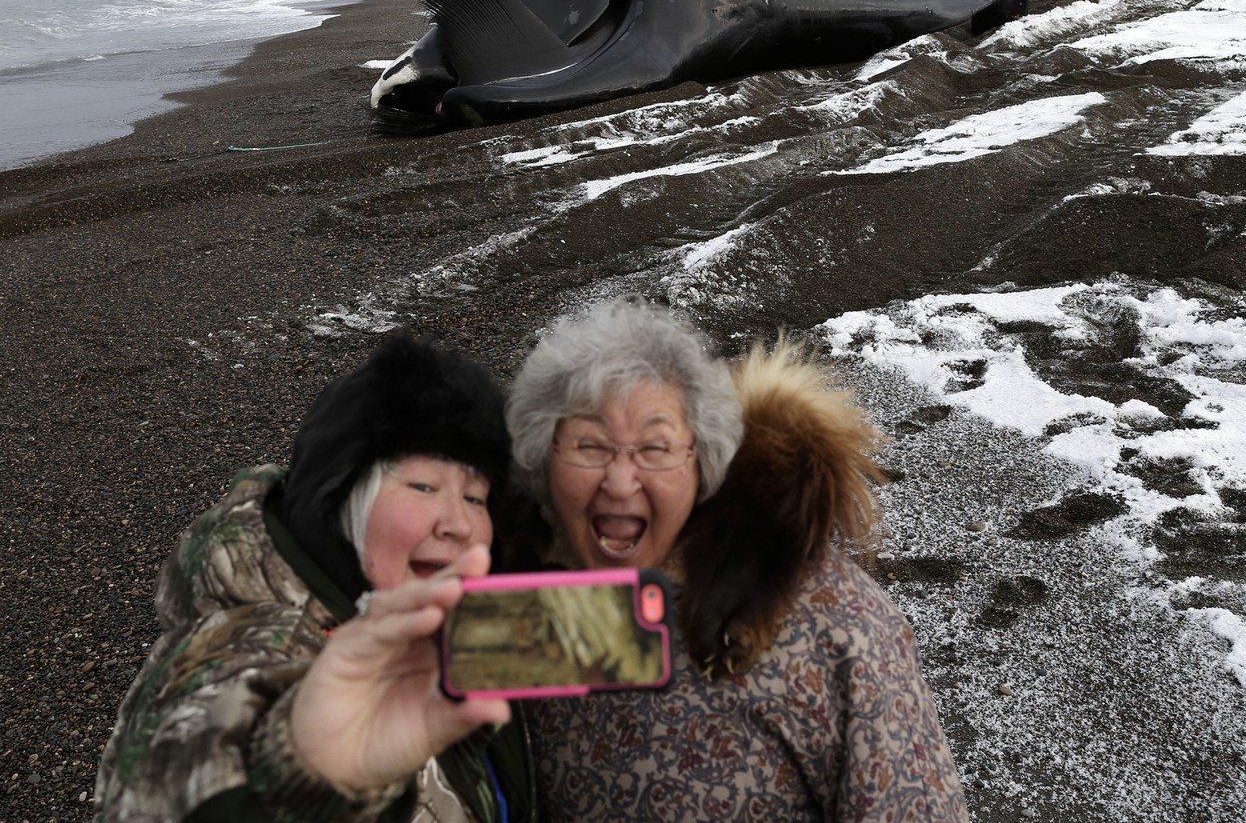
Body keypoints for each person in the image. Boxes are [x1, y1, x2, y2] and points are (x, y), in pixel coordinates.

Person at [504, 299, 970, 821]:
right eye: (590, 445)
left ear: (702, 458)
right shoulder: (517, 600)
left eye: (655, 447)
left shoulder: (832, 626)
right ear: (544, 454)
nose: (618, 482)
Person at [95, 333, 537, 823]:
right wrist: (302, 776)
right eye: (423, 486)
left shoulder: (457, 618)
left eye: (475, 498)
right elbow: (186, 769)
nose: (456, 522)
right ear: (342, 495)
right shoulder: (249, 642)